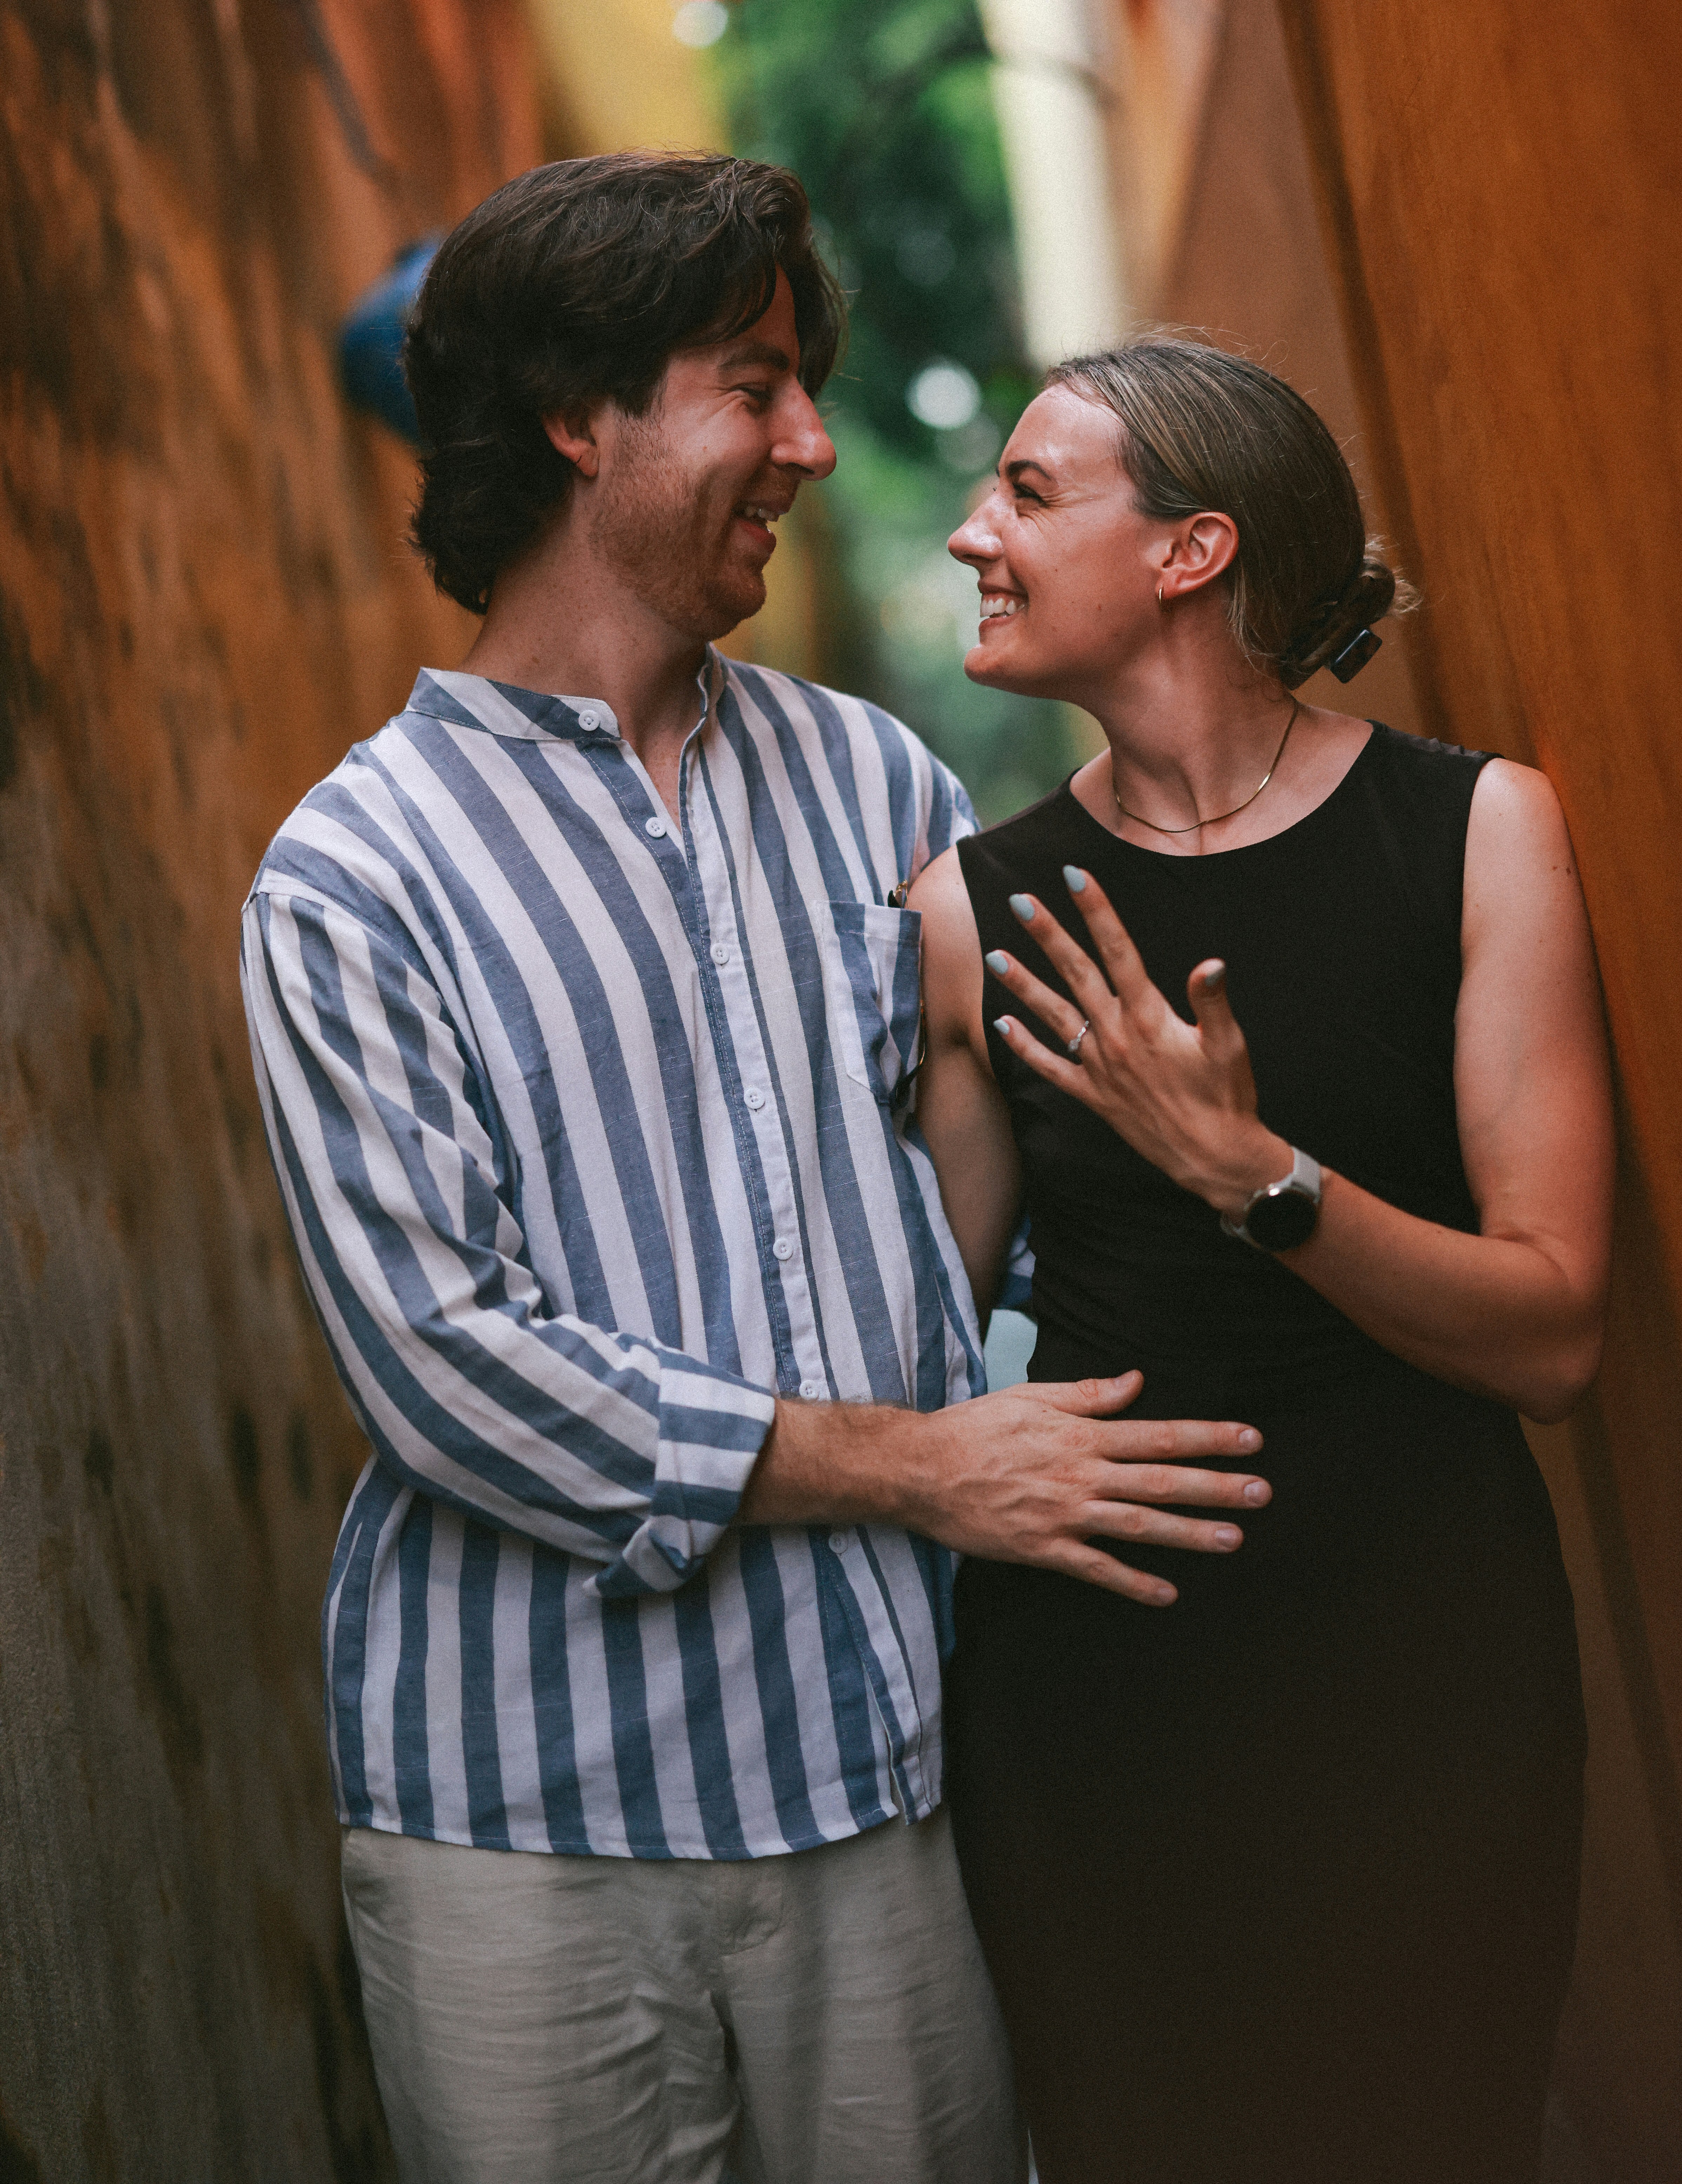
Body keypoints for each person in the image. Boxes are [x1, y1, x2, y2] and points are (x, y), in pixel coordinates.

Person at [240, 156, 1274, 2184]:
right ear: (578, 415)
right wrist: (924, 1467)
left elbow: (988, 1196)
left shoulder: (876, 784)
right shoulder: (353, 875)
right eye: (755, 385)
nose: (811, 444)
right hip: (525, 1830)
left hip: (883, 1770)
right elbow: (445, 1366)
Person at [909, 336, 1615, 2184]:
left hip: (1427, 1660)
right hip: (1098, 1693)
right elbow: (908, 1344)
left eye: (1029, 494)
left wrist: (1253, 1176)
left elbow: (1551, 1336)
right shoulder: (970, 913)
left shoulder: (1475, 834)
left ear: (1190, 550)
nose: (974, 535)